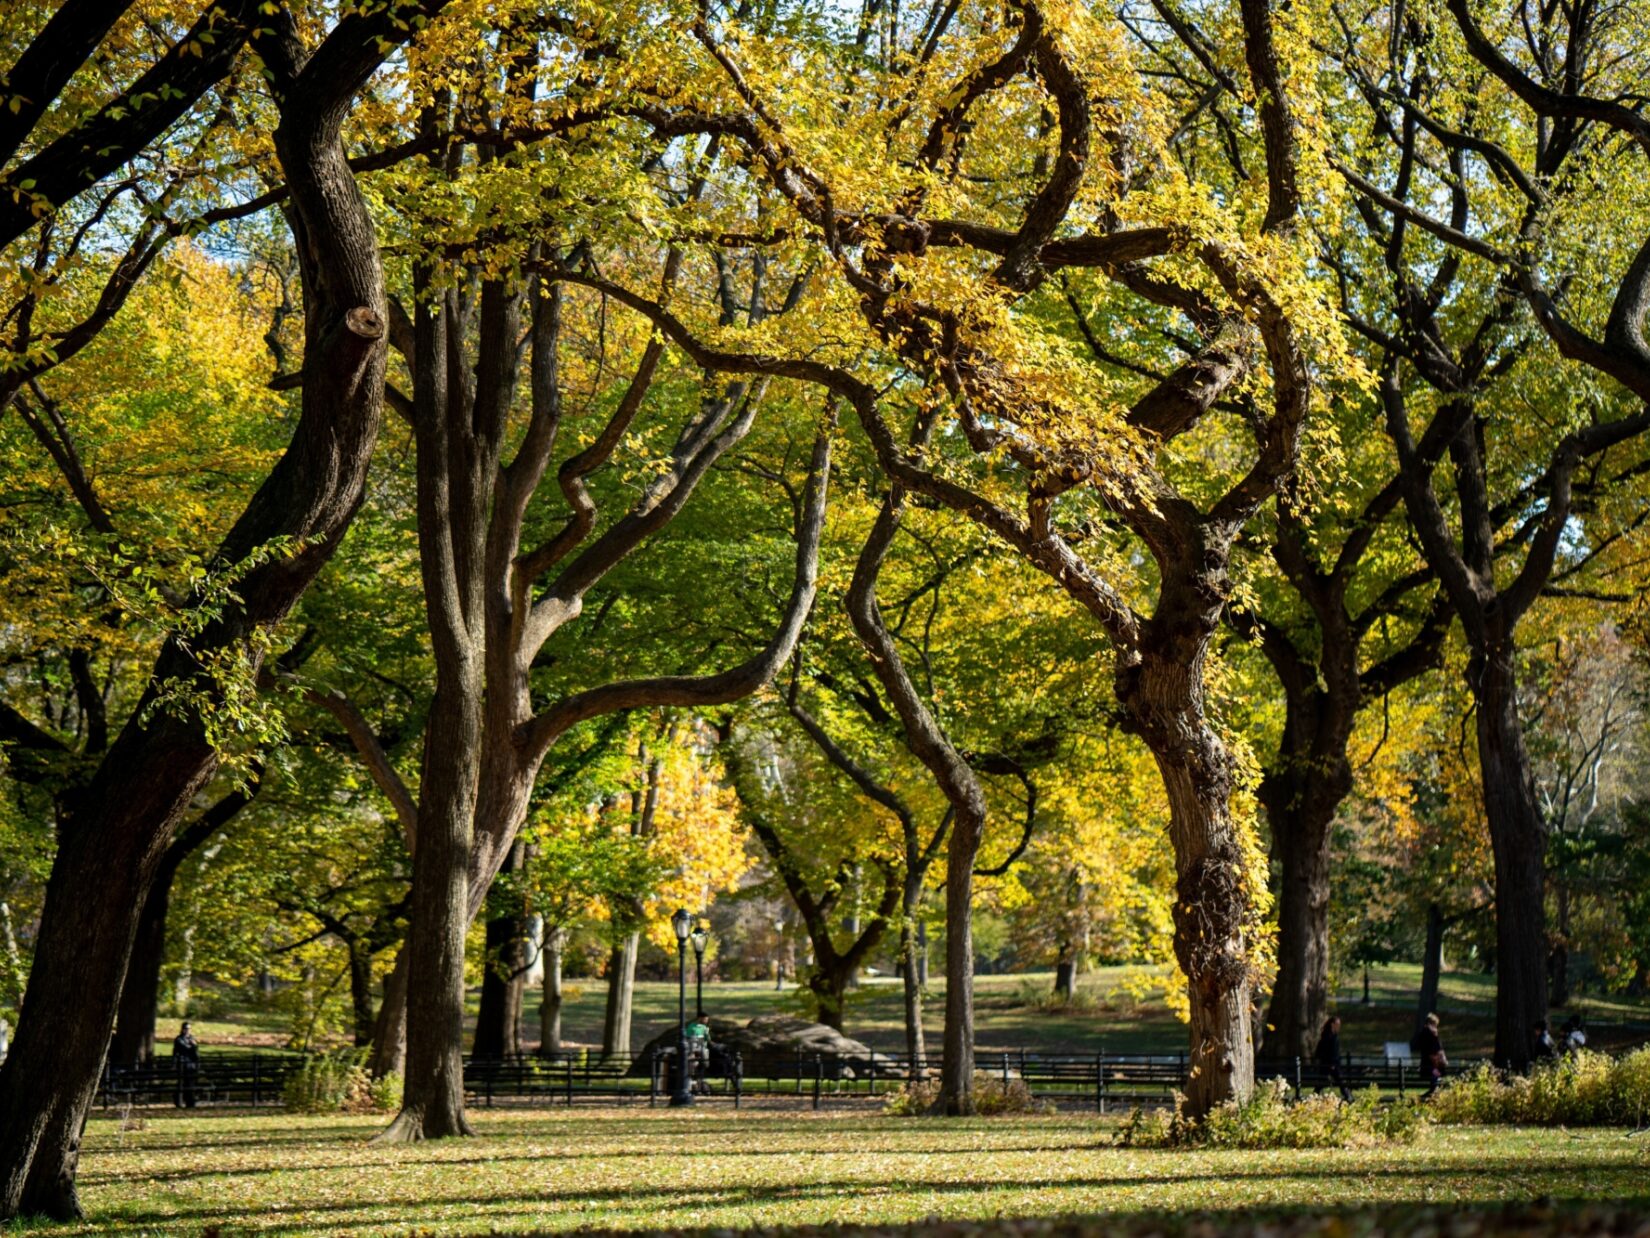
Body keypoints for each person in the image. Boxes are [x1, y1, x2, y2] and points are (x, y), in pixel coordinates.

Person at [1314, 1015, 1352, 1103]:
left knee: (1323, 1082)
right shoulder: (1330, 1037)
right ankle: (1348, 1096)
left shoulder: (1328, 1036)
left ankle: (1347, 1095)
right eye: (1337, 1024)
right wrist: (1332, 1063)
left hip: (1329, 1064)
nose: (1339, 1027)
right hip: (1332, 1064)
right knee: (1339, 1080)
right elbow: (1331, 1051)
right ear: (1332, 1024)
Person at [1411, 1012, 1446, 1099]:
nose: (1436, 1027)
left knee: (1436, 1082)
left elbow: (1438, 1049)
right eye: (1434, 1024)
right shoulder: (1427, 1035)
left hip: (1430, 1066)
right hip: (1429, 1067)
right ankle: (1427, 1097)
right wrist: (1435, 1036)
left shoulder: (1427, 1034)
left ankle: (1430, 1095)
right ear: (1430, 1024)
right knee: (1436, 1078)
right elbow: (1432, 1052)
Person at [173, 1021, 201, 1108]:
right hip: (183, 1065)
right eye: (185, 1028)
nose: (187, 1030)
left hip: (192, 1065)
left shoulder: (192, 1038)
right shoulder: (179, 1039)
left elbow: (195, 1051)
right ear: (182, 1029)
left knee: (191, 1084)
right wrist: (193, 1045)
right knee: (183, 1084)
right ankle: (179, 1101)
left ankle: (191, 1102)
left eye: (189, 1029)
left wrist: (194, 1046)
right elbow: (184, 1048)